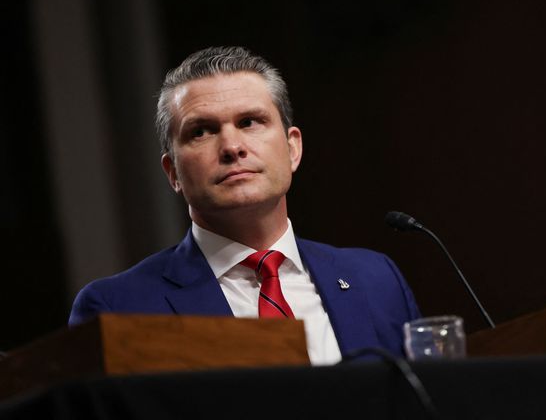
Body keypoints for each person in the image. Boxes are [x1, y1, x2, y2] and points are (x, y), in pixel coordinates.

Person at [69, 46, 420, 364]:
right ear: (172, 171)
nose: (232, 147)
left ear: (293, 148)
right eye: (202, 131)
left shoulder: (377, 279)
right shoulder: (118, 309)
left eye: (250, 122)